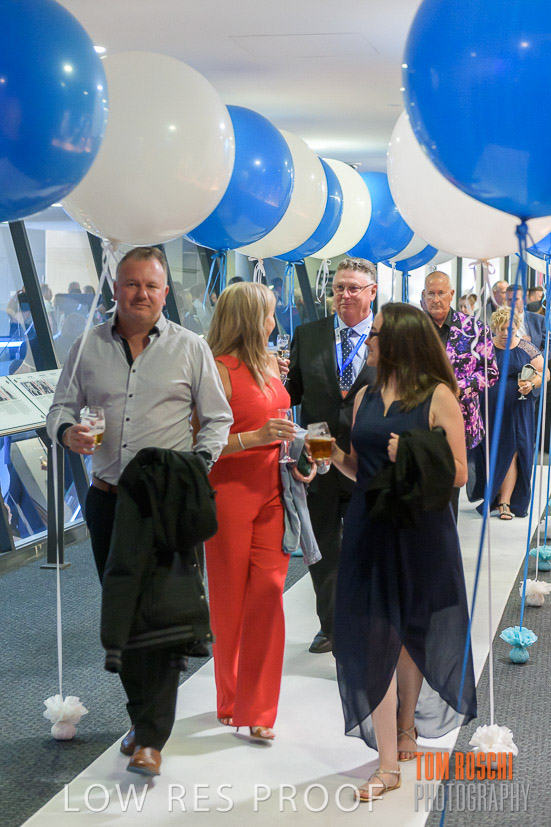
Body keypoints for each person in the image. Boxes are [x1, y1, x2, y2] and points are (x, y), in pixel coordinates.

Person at [46, 246, 232, 777]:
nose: (141, 294)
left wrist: (197, 465)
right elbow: (58, 409)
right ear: (116, 289)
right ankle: (141, 718)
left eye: (151, 286)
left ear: (165, 293)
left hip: (165, 507)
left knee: (166, 616)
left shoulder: (190, 347)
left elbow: (217, 418)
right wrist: (67, 432)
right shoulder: (87, 346)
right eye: (132, 284)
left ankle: (151, 736)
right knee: (122, 613)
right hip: (107, 501)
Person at [331, 302, 477, 802]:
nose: (367, 340)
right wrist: (327, 456)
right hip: (369, 527)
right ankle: (387, 764)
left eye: (374, 333)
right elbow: (358, 466)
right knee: (374, 635)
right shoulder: (365, 395)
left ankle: (407, 724)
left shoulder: (439, 396)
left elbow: (459, 472)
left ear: (397, 340)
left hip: (420, 530)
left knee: (412, 631)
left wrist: (411, 452)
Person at [203, 282, 309, 740]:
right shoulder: (216, 370)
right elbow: (199, 444)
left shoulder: (269, 364)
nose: (274, 321)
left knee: (268, 592)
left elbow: (281, 423)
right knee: (228, 601)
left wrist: (299, 455)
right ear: (250, 319)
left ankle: (260, 709)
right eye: (268, 313)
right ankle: (230, 698)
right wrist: (255, 438)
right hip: (227, 495)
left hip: (273, 492)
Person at [286, 257, 377, 653]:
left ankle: (366, 624)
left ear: (372, 292)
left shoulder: (386, 338)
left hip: (367, 461)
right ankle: (332, 626)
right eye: (339, 287)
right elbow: (291, 393)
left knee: (367, 546)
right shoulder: (308, 334)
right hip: (319, 457)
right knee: (322, 547)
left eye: (354, 287)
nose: (345, 294)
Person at [422, 271, 499, 520]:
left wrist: (458, 388)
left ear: (451, 294)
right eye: (431, 294)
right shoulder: (413, 328)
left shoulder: (474, 328)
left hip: (460, 420)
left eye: (441, 293)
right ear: (423, 296)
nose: (436, 299)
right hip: (419, 417)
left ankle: (446, 539)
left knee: (450, 489)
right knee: (420, 485)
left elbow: (490, 372)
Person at [468, 307, 548, 519]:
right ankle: (494, 496)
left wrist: (532, 383)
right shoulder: (484, 346)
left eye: (510, 329)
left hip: (517, 407)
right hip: (488, 406)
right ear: (494, 327)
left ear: (517, 328)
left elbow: (545, 372)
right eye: (501, 328)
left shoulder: (526, 347)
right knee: (491, 450)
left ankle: (506, 501)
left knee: (512, 450)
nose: (505, 333)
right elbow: (471, 371)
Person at [506, 283, 546, 350]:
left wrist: (538, 356)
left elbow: (549, 347)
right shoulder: (500, 321)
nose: (512, 303)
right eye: (509, 300)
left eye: (516, 299)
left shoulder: (539, 320)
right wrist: (520, 339)